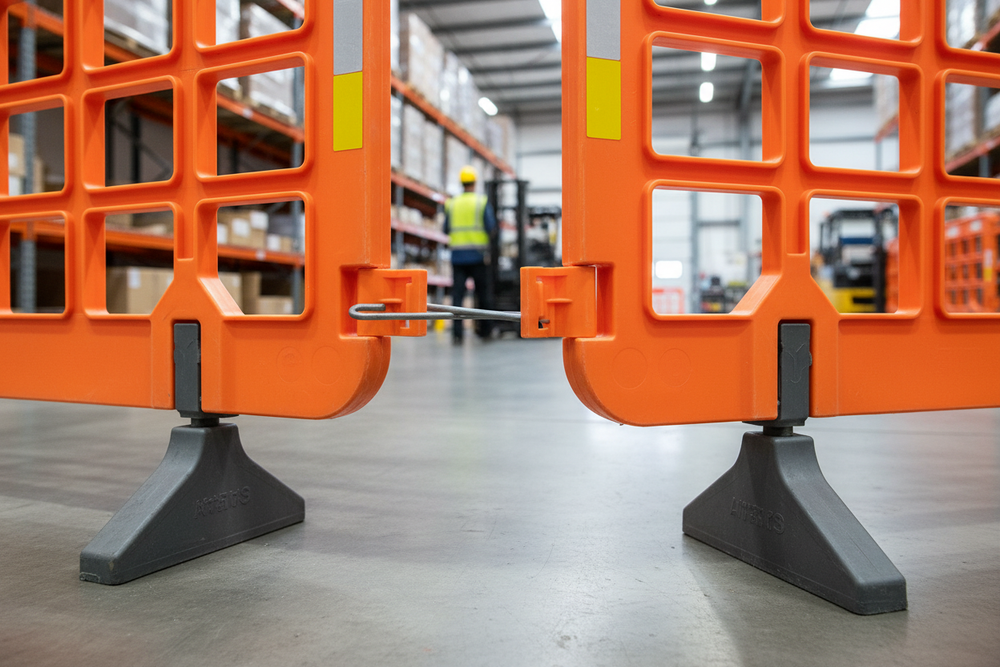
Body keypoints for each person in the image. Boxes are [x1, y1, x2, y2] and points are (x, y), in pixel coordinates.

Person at [444, 165, 497, 344]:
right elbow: (491, 228)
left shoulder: (452, 203)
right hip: (477, 256)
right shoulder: (481, 202)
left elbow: (446, 228)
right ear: (474, 183)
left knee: (457, 297)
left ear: (462, 183)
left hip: (457, 257)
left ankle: (457, 334)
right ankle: (485, 332)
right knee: (483, 295)